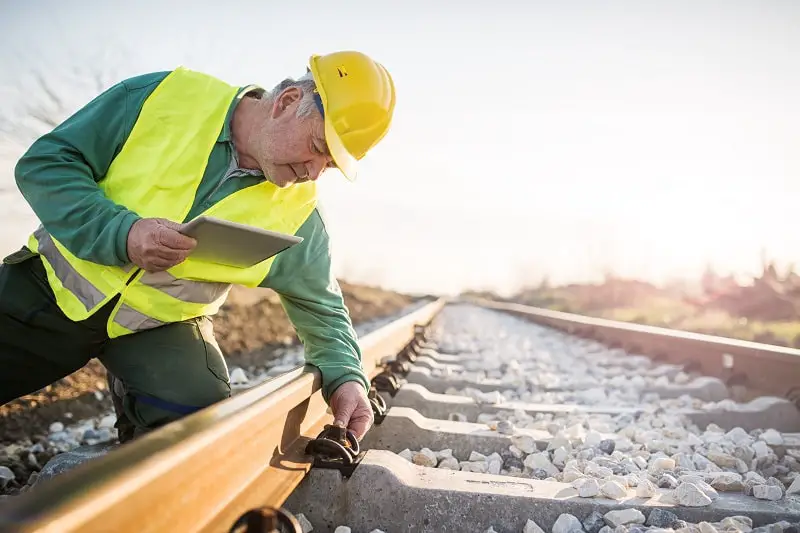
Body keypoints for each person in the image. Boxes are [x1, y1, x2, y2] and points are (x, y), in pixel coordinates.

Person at [0, 50, 396, 444]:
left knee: (200, 424)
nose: (312, 172)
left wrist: (346, 378)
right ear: (288, 101)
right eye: (317, 146)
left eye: (328, 165)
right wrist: (123, 232)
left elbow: (321, 306)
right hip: (46, 290)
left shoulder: (301, 214)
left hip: (159, 330)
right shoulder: (162, 97)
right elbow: (46, 163)